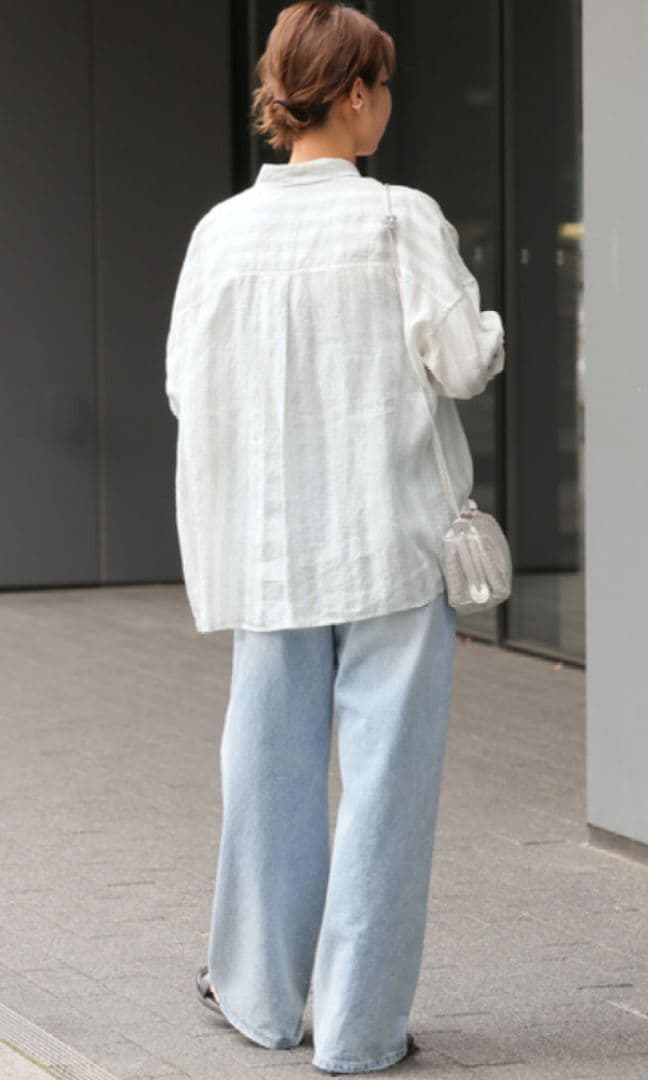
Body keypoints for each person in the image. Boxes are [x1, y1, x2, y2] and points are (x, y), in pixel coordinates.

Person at [165, 1, 505, 1073]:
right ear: (355, 92)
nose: (387, 103)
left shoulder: (221, 234)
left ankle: (261, 1001)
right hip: (390, 548)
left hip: (270, 556)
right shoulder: (399, 221)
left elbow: (185, 389)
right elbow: (463, 365)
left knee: (266, 784)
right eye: (384, 86)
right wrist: (490, 325)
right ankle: (358, 1033)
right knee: (385, 794)